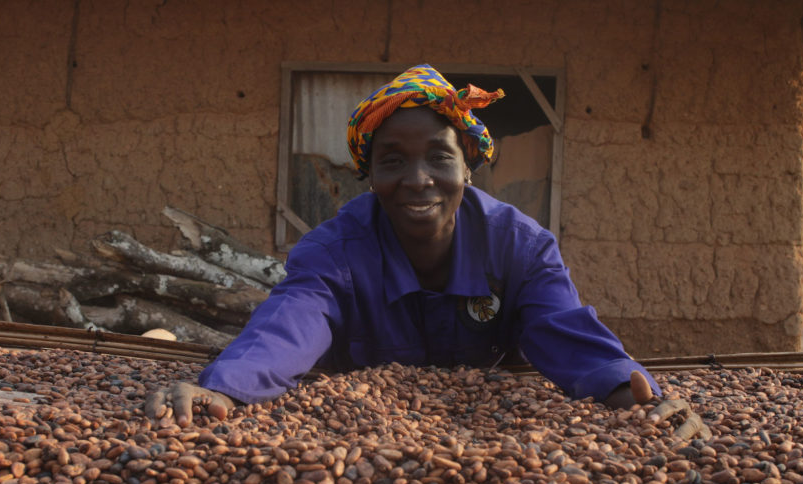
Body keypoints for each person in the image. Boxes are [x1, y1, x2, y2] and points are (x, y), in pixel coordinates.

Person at [146, 64, 668, 426]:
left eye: (439, 158)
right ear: (369, 175)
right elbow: (292, 319)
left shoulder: (520, 248)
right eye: (392, 161)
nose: (418, 180)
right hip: (355, 429)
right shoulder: (335, 250)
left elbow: (561, 328)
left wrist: (630, 391)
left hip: (485, 429)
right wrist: (226, 388)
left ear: (469, 165)